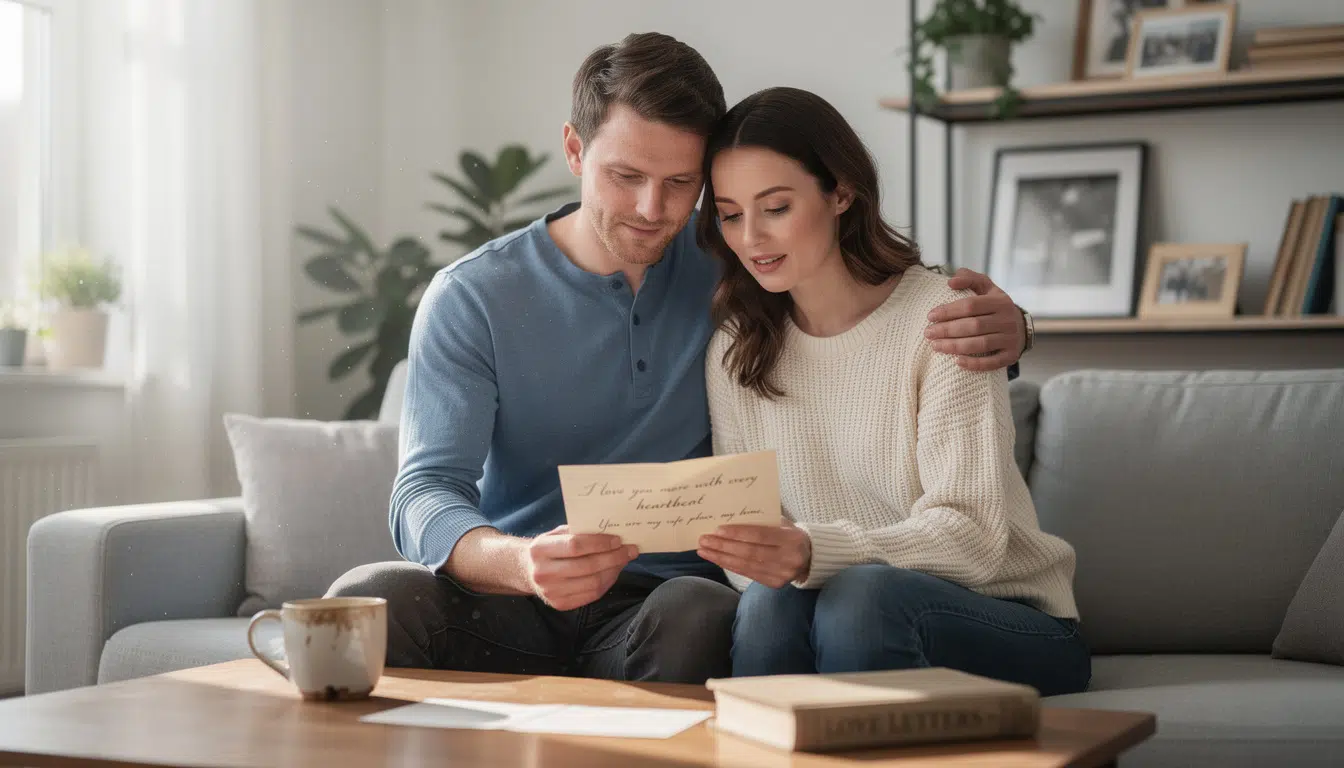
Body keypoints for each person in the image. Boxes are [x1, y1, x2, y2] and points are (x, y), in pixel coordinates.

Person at [326, 33, 1030, 685]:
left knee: (701, 610)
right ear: (574, 150)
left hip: (662, 608)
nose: (650, 209)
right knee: (371, 599)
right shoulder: (473, 295)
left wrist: (1013, 326)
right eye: (624, 175)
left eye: (680, 185)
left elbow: (864, 306)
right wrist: (520, 562)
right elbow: (424, 491)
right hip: (513, 593)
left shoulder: (736, 268)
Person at [694, 87, 1090, 696]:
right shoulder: (736, 351)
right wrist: (779, 559)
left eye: (775, 207)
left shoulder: (945, 321)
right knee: (770, 606)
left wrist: (811, 553)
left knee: (863, 597)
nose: (750, 238)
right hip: (835, 603)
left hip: (1009, 617)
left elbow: (975, 538)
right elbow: (751, 542)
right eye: (729, 213)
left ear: (841, 193)